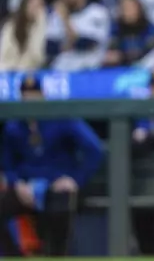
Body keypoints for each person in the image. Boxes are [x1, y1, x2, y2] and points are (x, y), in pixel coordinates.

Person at [0, 74, 104, 256]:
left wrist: (75, 179)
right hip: (26, 187)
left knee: (60, 210)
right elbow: (7, 161)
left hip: (56, 184)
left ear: (43, 94)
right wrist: (16, 182)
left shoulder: (60, 116)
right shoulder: (14, 124)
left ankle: (56, 257)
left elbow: (93, 148)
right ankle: (14, 257)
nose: (30, 99)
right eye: (26, 95)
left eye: (34, 94)